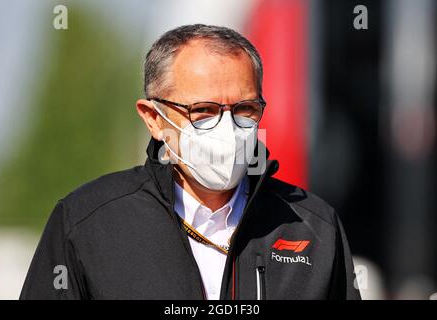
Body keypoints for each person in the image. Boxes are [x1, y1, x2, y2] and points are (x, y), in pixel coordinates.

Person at [20, 24, 360, 300]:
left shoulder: (313, 227)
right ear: (154, 118)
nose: (228, 128)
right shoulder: (88, 222)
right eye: (204, 111)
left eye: (245, 109)